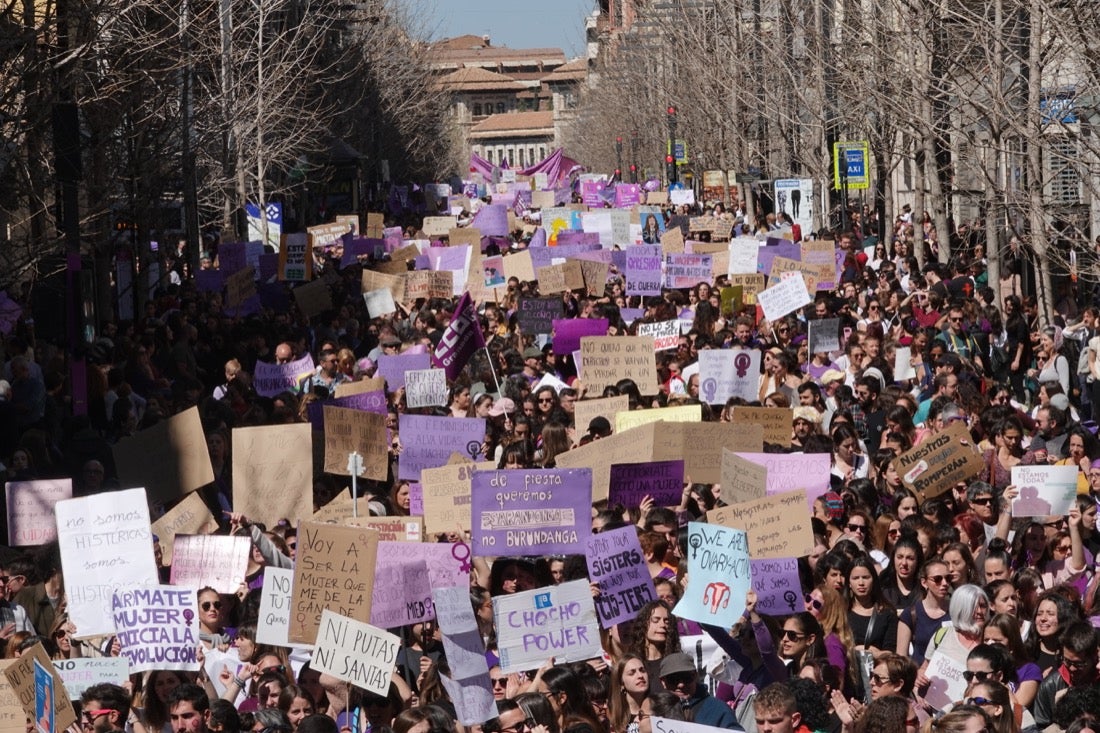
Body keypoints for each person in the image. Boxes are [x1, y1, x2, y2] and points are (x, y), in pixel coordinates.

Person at [1033, 621, 1098, 729]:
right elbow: (1041, 726)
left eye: (1079, 664)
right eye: (1067, 661)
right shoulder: (1050, 685)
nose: (1072, 668)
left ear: (1094, 656)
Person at [658, 653, 737, 729]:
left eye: (687, 677)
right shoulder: (654, 710)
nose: (681, 685)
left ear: (695, 676)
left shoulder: (719, 710)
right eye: (673, 679)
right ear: (663, 682)